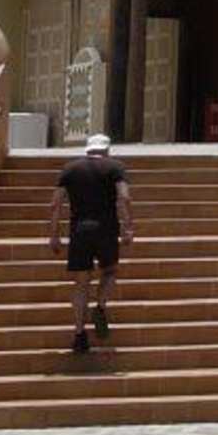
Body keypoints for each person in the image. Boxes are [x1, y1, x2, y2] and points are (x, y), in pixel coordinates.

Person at [49, 133, 133, 353]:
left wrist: (54, 234)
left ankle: (79, 334)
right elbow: (124, 197)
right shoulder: (115, 167)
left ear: (87, 149)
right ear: (106, 150)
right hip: (106, 230)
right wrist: (128, 227)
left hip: (79, 231)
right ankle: (101, 305)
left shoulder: (70, 169)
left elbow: (55, 204)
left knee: (81, 284)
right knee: (110, 271)